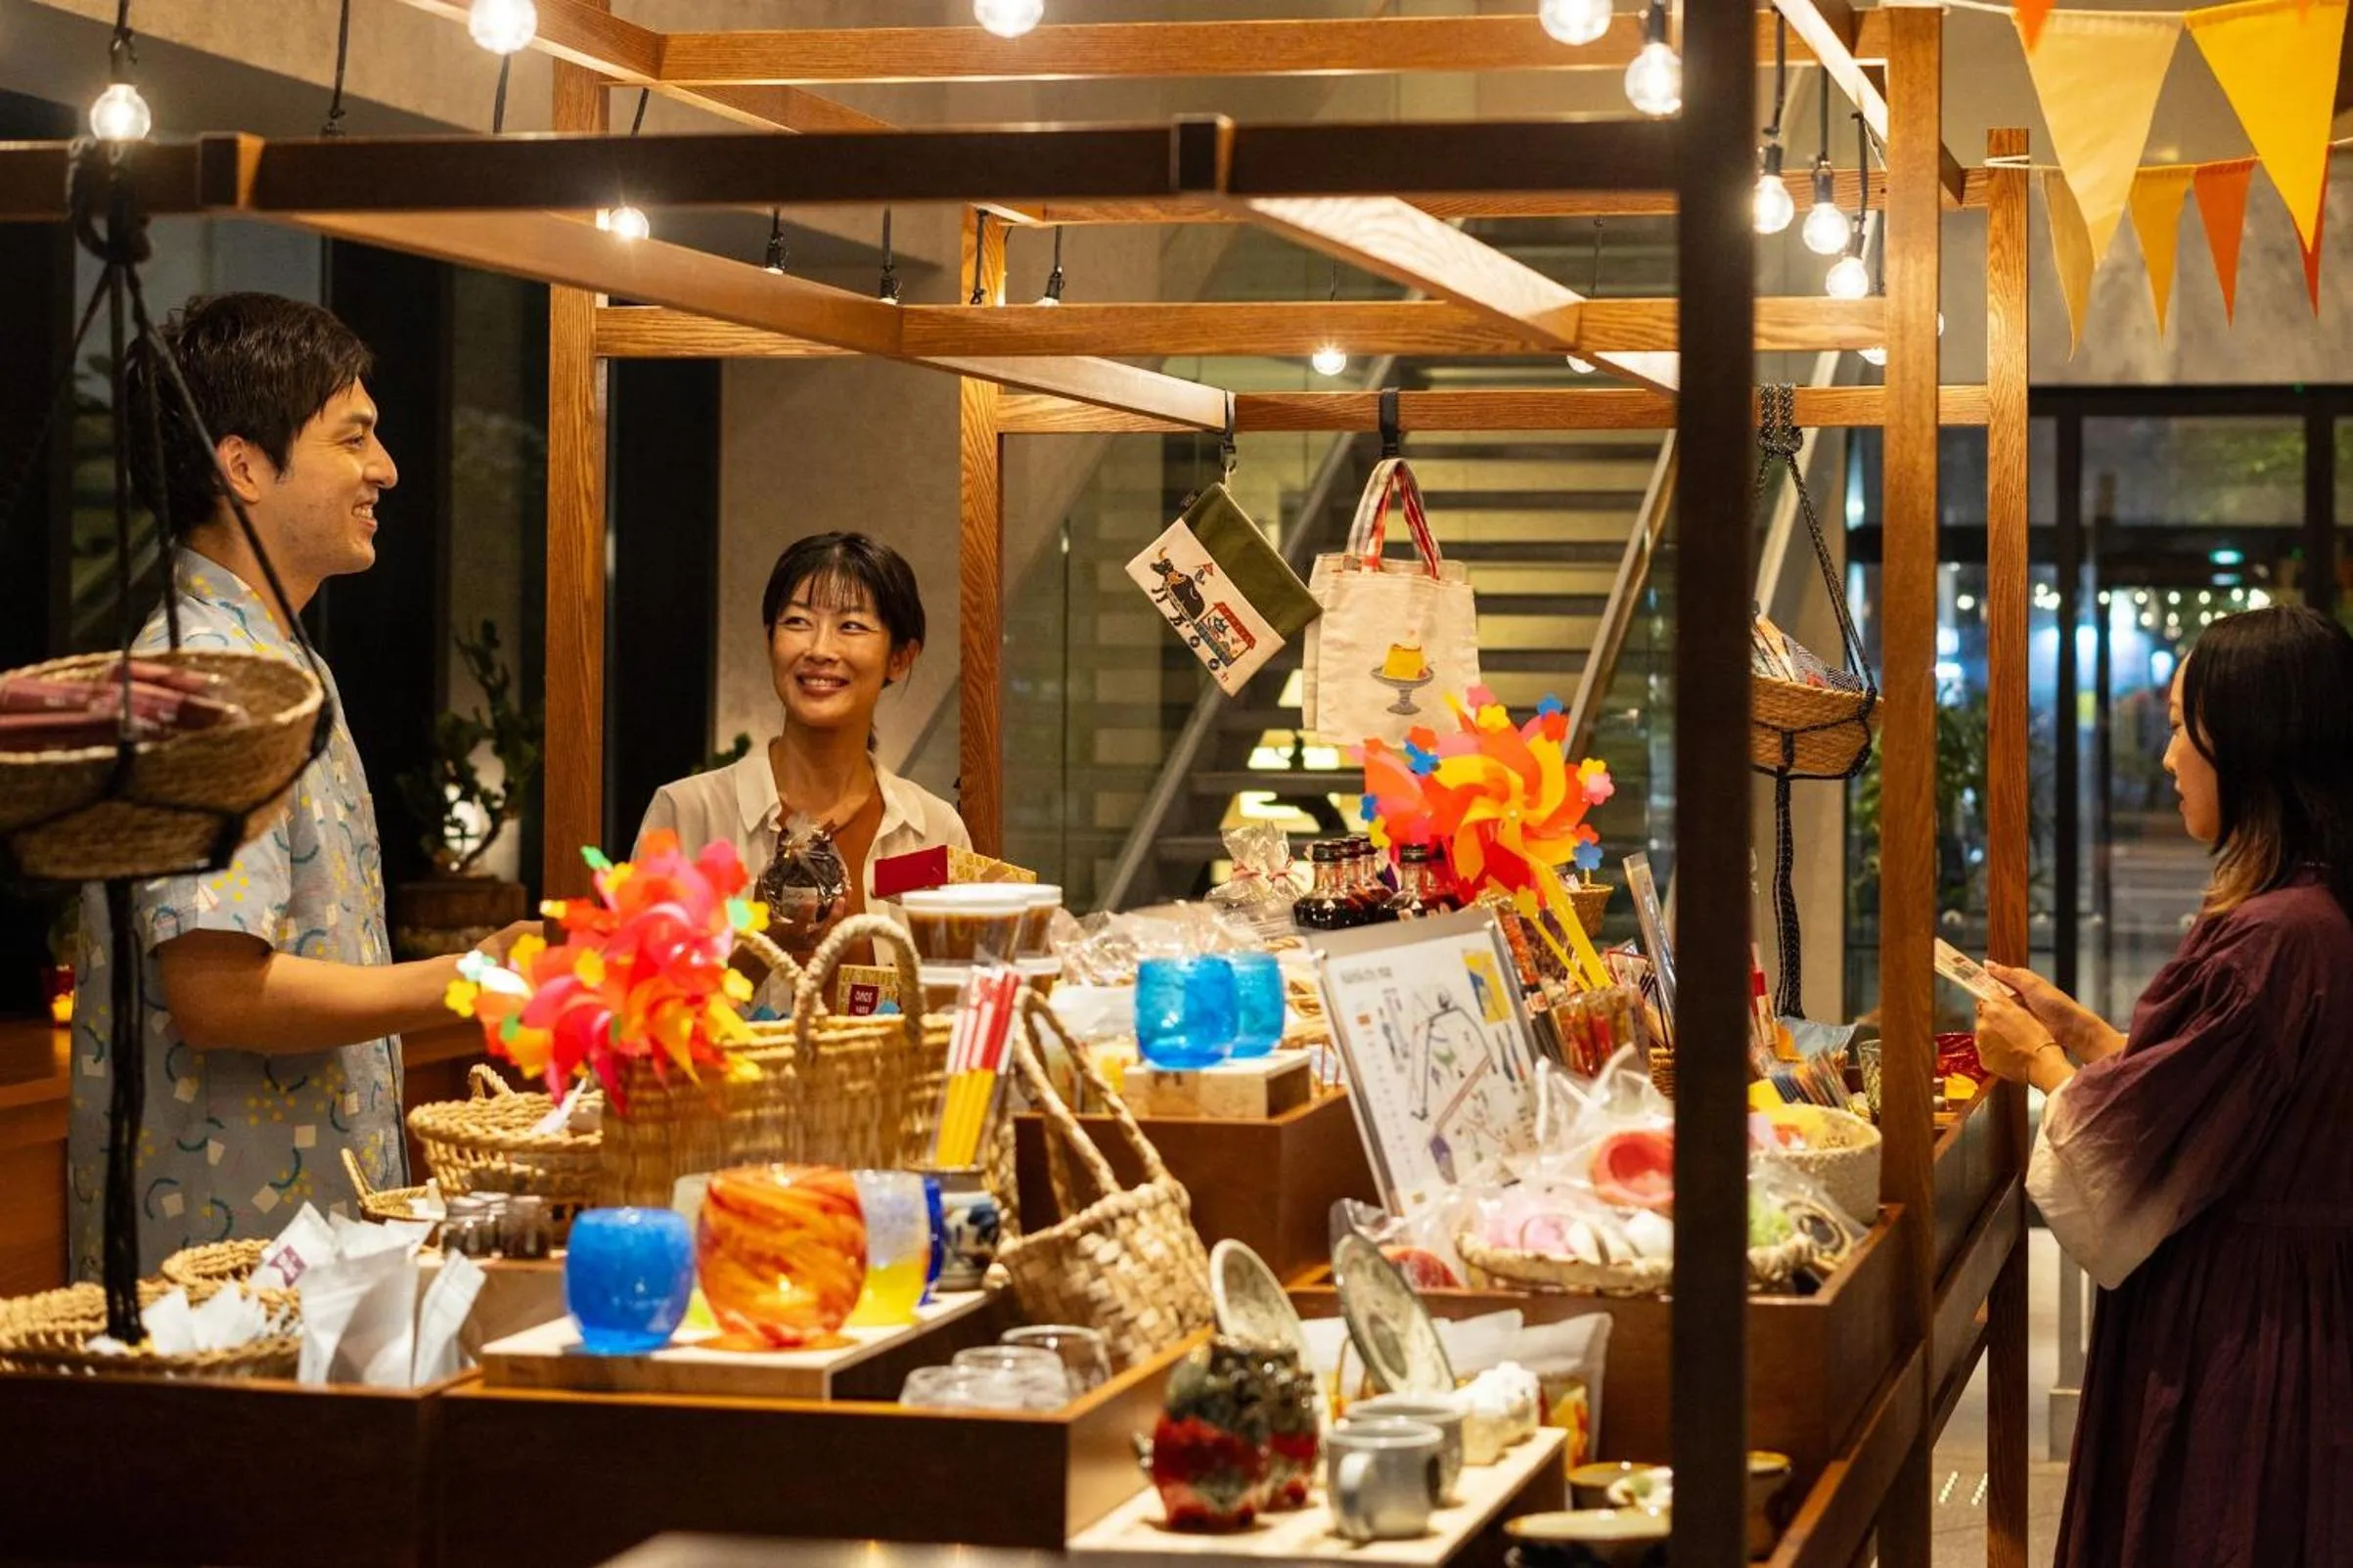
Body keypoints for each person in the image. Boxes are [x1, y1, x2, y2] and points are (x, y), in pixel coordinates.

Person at [69, 293, 536, 1277]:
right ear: (242, 466)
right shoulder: (202, 675)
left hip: (306, 1240)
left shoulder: (277, 659)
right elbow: (217, 994)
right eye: (352, 437)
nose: (385, 469)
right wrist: (475, 980)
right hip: (223, 1267)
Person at [1971, 605, 2353, 1568]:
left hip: (2247, 1330)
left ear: (2250, 745)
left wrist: (2036, 1064)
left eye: (2184, 726)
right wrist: (2080, 1032)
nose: (2168, 756)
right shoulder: (2310, 913)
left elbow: (2143, 1146)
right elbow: (2213, 1096)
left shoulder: (2276, 934)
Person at [638, 532, 969, 959]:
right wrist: (763, 949)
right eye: (797, 622)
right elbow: (643, 1007)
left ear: (900, 658)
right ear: (769, 639)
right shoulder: (688, 814)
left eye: (850, 626)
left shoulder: (934, 831)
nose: (819, 648)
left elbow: (958, 1005)